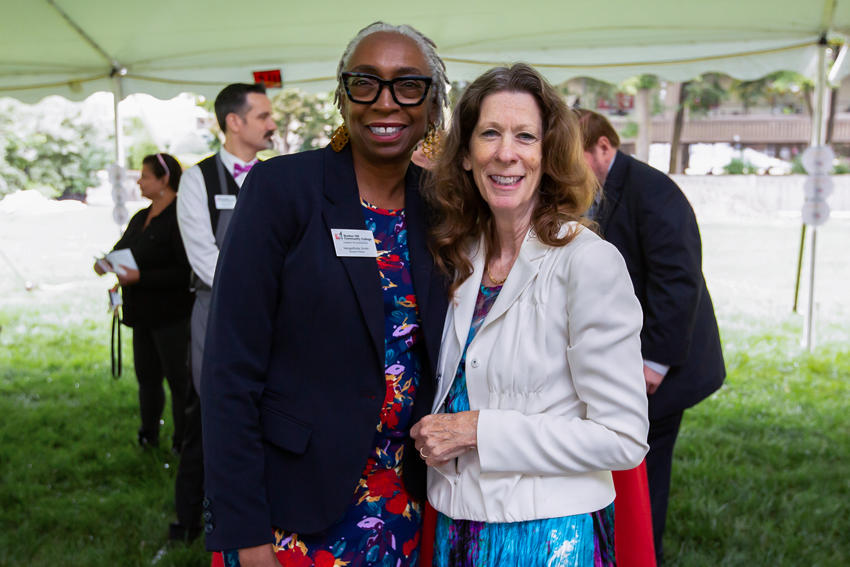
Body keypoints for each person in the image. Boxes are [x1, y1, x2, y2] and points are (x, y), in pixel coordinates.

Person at [201, 23, 450, 567]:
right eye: (365, 83)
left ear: (434, 105)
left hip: (405, 506)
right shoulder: (281, 190)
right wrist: (243, 529)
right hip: (291, 512)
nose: (386, 102)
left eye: (409, 86)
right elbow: (228, 371)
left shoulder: (442, 211)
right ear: (342, 97)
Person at [412, 63, 649, 567]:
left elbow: (623, 438)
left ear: (549, 154)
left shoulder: (587, 261)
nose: (506, 153)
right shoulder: (460, 255)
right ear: (468, 155)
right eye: (489, 133)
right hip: (456, 527)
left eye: (525, 136)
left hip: (548, 537)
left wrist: (479, 430)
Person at [577, 109, 726, 565]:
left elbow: (679, 283)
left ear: (604, 147)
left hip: (664, 368)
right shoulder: (599, 187)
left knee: (646, 474)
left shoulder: (654, 191)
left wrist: (653, 366)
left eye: (571, 155)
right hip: (625, 363)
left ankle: (643, 553)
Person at [171, 82, 277, 542]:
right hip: (216, 312)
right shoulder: (197, 180)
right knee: (214, 416)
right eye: (263, 116)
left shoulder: (278, 177)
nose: (272, 124)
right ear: (234, 122)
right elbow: (203, 256)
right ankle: (201, 522)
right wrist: (264, 294)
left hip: (275, 312)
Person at [94, 153, 193, 453]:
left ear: (164, 180)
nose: (138, 181)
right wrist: (105, 263)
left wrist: (141, 278)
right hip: (141, 315)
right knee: (147, 379)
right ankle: (148, 437)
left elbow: (186, 271)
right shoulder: (141, 217)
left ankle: (183, 443)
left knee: (179, 383)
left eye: (145, 176)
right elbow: (119, 250)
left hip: (172, 315)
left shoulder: (181, 216)